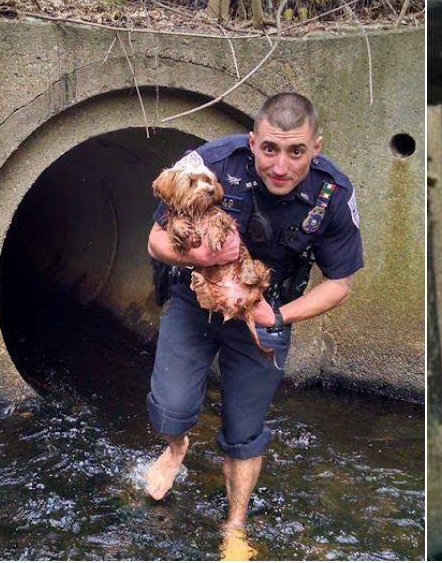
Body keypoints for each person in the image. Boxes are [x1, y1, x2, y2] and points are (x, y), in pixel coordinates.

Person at [144, 93, 362, 560]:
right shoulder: (211, 163)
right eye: (269, 150)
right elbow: (155, 239)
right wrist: (198, 256)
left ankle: (235, 527)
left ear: (315, 147)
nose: (280, 166)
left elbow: (340, 284)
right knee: (171, 408)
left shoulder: (333, 194)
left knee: (244, 432)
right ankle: (176, 445)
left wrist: (276, 315)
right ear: (252, 141)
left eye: (296, 152)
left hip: (267, 307)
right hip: (195, 296)